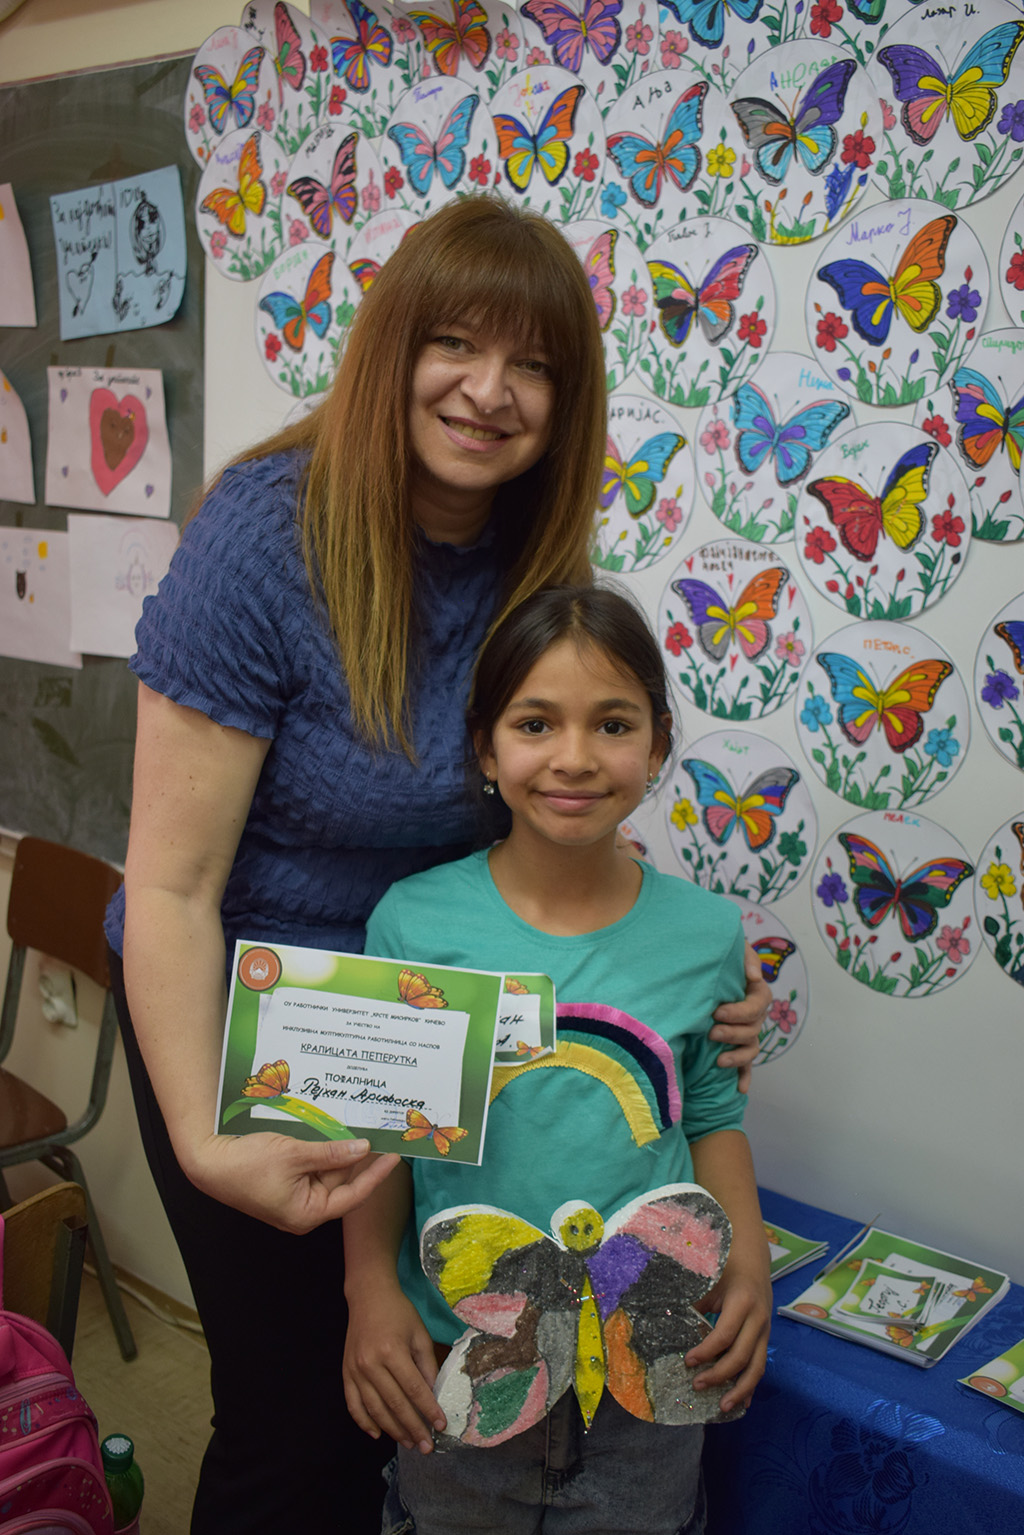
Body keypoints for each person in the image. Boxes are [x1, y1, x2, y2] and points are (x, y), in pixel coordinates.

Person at [104, 195, 769, 1535]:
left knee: (430, 1383)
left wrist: (679, 985)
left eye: (533, 363)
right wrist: (205, 1140)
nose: (489, 389)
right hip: (256, 1019)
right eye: (455, 342)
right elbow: (171, 888)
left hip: (440, 1009)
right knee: (298, 1417)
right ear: (392, 347)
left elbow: (547, 801)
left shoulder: (536, 552)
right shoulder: (267, 534)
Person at [344, 585, 772, 1535]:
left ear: (657, 745)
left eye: (612, 724)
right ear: (485, 747)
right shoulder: (417, 922)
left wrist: (750, 1264)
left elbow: (713, 1114)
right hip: (465, 1361)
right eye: (535, 723)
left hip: (651, 1370)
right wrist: (369, 1289)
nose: (574, 757)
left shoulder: (705, 932)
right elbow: (381, 1134)